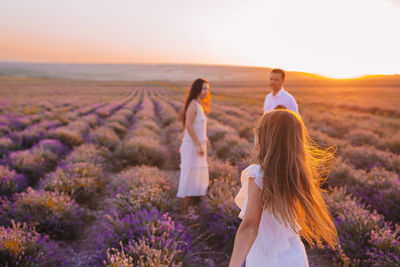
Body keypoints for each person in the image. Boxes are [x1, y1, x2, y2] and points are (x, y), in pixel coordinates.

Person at [229, 109, 338, 267]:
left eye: (258, 130)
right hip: (293, 256)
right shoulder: (294, 173)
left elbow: (250, 227)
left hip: (267, 258)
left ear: (267, 137)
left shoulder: (259, 174)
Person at [177, 78, 211, 213]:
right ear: (197, 89)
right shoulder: (193, 104)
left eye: (207, 89)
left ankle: (190, 210)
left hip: (195, 145)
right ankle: (183, 212)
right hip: (193, 146)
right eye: (203, 88)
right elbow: (188, 125)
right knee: (190, 177)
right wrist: (198, 145)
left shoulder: (199, 104)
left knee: (195, 177)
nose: (206, 91)